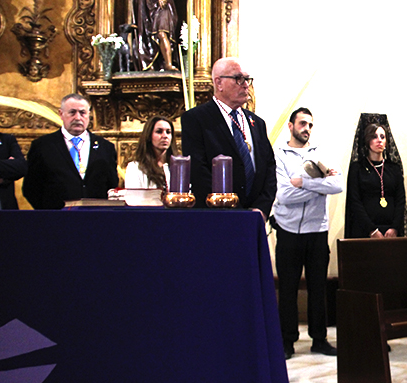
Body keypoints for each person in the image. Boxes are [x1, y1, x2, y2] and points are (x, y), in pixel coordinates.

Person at [273, 107, 343, 359]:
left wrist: (304, 182)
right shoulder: (279, 155)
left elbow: (337, 184)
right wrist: (319, 187)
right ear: (290, 126)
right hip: (288, 230)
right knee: (289, 289)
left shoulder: (320, 153)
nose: (307, 129)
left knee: (317, 288)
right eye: (302, 123)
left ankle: (319, 339)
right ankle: (286, 341)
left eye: (310, 125)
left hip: (317, 231)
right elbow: (284, 195)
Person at [181, 57, 276, 220]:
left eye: (247, 79)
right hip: (217, 217)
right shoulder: (197, 119)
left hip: (254, 217)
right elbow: (199, 172)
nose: (246, 84)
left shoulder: (257, 123)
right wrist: (234, 211)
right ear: (219, 83)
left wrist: (261, 208)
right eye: (238, 79)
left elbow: (269, 168)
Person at [23, 94, 118, 209]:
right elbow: (31, 187)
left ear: (89, 115)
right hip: (56, 218)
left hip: (96, 216)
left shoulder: (106, 147)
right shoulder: (42, 146)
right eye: (72, 112)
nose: (78, 118)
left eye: (82, 113)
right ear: (61, 114)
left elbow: (112, 185)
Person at [345, 119, 407, 239]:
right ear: (367, 140)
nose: (379, 140)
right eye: (374, 136)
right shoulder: (357, 168)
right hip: (365, 231)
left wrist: (394, 228)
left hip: (391, 232)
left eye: (382, 137)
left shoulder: (394, 168)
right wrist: (371, 230)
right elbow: (355, 201)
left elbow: (400, 200)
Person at [125, 115, 177, 190]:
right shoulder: (135, 167)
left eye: (168, 132)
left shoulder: (177, 167)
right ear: (149, 136)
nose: (165, 136)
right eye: (159, 132)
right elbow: (134, 198)